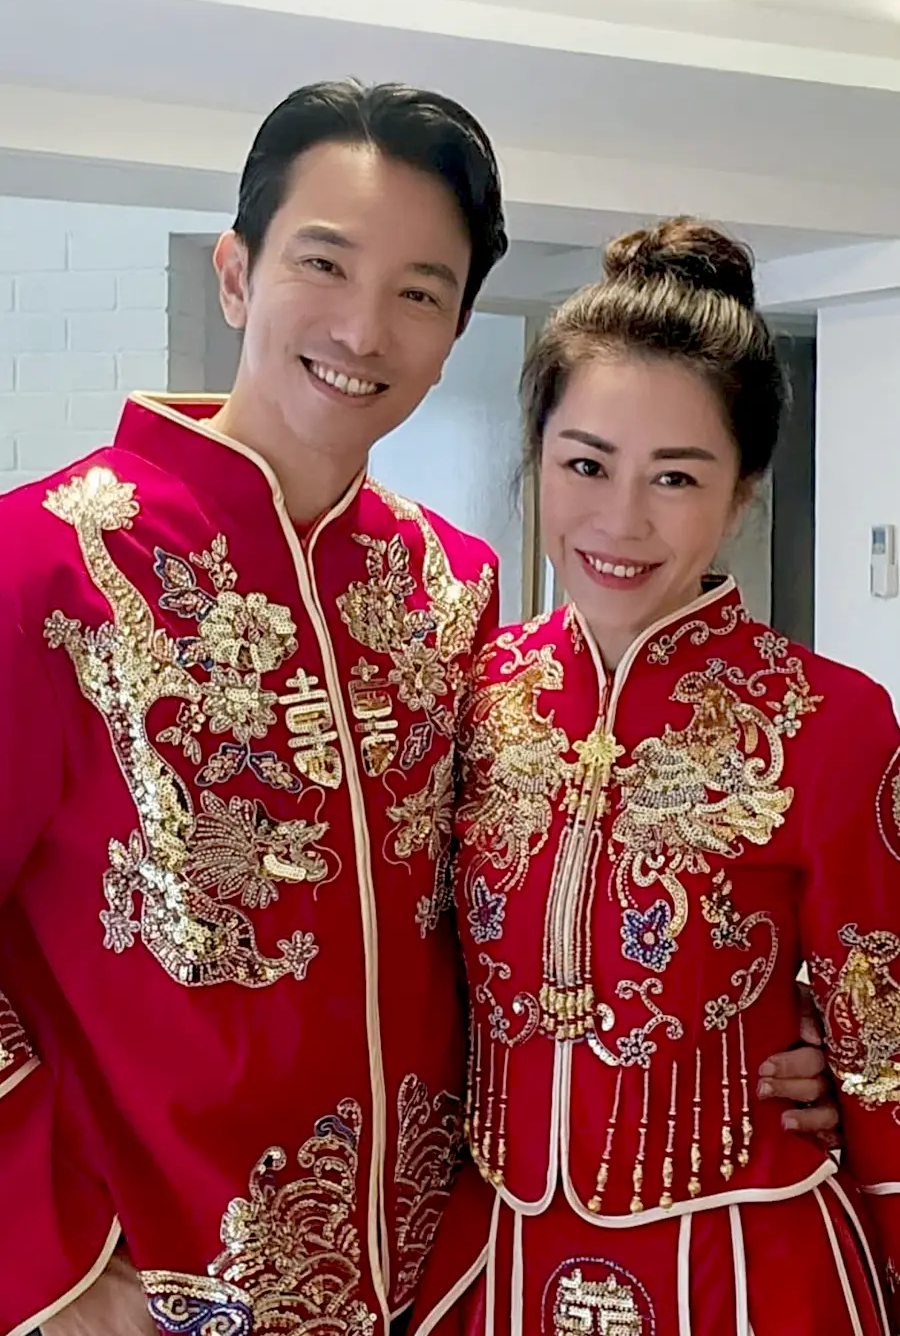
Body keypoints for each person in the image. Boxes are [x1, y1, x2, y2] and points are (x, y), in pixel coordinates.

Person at [0, 84, 833, 1336]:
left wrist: (761, 1026)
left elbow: (514, 896)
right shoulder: (44, 566)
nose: (362, 327)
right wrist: (50, 1269)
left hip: (445, 1279)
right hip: (155, 1287)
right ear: (236, 273)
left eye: (420, 292)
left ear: (452, 336)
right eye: (324, 264)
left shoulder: (449, 588)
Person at [409, 219, 900, 1336]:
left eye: (676, 477)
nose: (620, 521)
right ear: (538, 455)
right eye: (586, 464)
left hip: (749, 1265)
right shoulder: (469, 692)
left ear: (743, 491)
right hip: (493, 1258)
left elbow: (886, 1040)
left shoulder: (830, 723)